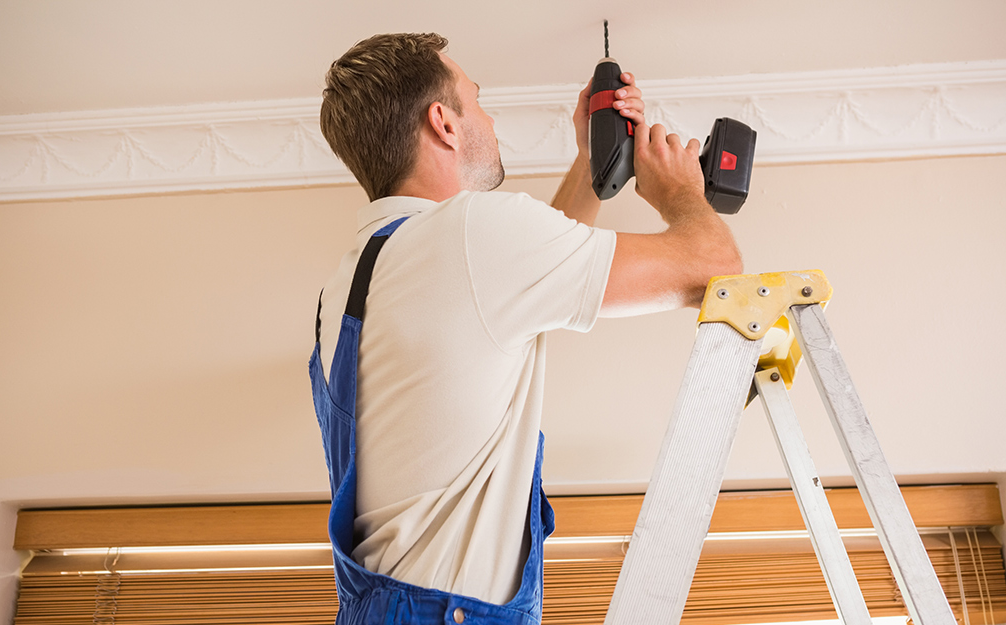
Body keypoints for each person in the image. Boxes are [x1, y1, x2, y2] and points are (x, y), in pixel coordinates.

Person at [311, 33, 741, 624]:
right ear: (444, 123)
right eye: (477, 100)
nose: (487, 118)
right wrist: (679, 192)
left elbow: (512, 281)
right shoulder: (474, 235)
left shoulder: (351, 283)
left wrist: (595, 162)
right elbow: (712, 267)